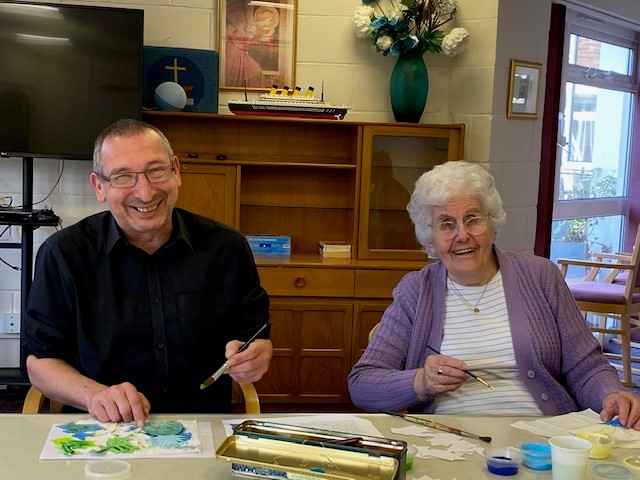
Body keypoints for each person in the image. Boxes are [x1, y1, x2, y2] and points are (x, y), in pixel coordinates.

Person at [348, 160, 640, 429]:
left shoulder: (541, 276)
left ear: (491, 223)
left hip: (542, 435)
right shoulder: (416, 291)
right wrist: (420, 382)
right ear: (431, 238)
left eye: (472, 219)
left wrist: (610, 394)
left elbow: (585, 366)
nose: (462, 235)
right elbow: (363, 383)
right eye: (447, 224)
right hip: (451, 440)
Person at [23, 118, 272, 426]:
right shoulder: (62, 254)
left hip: (203, 426)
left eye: (156, 170)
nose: (145, 192)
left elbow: (256, 338)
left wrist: (257, 356)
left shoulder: (228, 247)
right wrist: (95, 395)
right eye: (123, 176)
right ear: (99, 186)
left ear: (176, 171)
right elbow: (40, 363)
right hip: (101, 429)